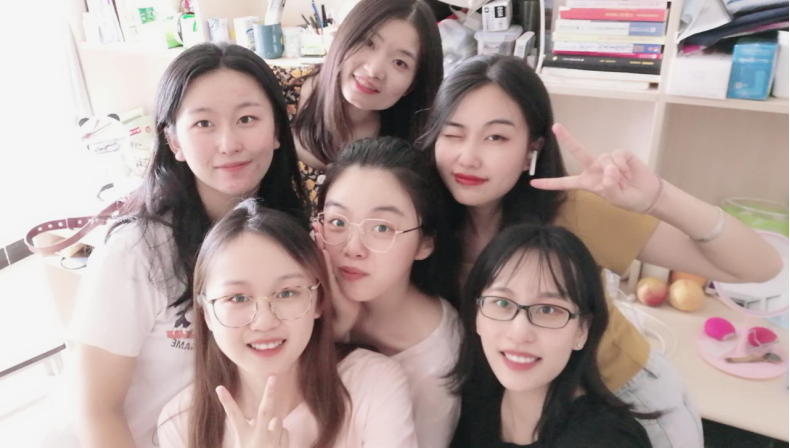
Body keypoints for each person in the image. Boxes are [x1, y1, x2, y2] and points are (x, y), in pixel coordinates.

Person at [420, 55, 783, 448]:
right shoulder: (421, 228)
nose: (468, 157)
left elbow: (761, 267)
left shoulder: (571, 212)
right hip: (521, 411)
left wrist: (658, 197)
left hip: (623, 400)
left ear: (532, 149)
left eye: (496, 137)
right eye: (453, 134)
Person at [43, 43, 307, 448]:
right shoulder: (137, 251)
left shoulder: (289, 236)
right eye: (203, 123)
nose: (228, 143)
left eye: (247, 119)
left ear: (276, 130)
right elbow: (97, 411)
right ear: (174, 141)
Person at [157, 202, 418, 448]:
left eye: (287, 293)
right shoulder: (180, 424)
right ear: (206, 313)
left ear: (319, 301)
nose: (264, 321)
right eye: (238, 298)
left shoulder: (373, 384)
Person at [314, 137, 462, 447]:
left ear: (425, 242)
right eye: (338, 222)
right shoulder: (302, 301)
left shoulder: (436, 362)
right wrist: (335, 334)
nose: (353, 248)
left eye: (382, 228)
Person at [451, 224, 654, 447]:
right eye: (502, 303)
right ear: (476, 315)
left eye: (548, 310)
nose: (519, 333)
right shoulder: (468, 405)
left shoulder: (606, 441)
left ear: (582, 330)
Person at [274, 0, 443, 204]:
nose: (374, 70)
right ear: (343, 37)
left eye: (400, 62)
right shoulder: (274, 91)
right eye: (368, 43)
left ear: (413, 83)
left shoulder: (413, 148)